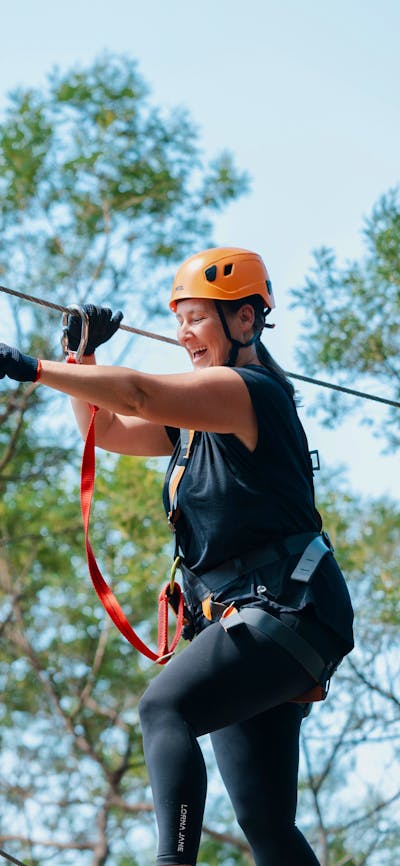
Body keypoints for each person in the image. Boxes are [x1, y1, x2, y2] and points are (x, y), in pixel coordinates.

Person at [0, 246, 354, 866]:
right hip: (260, 619)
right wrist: (80, 359)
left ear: (245, 320)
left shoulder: (247, 392)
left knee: (164, 707)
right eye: (180, 320)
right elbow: (108, 429)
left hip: (284, 610)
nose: (184, 333)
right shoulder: (196, 420)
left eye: (197, 319)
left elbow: (138, 394)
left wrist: (32, 368)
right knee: (266, 822)